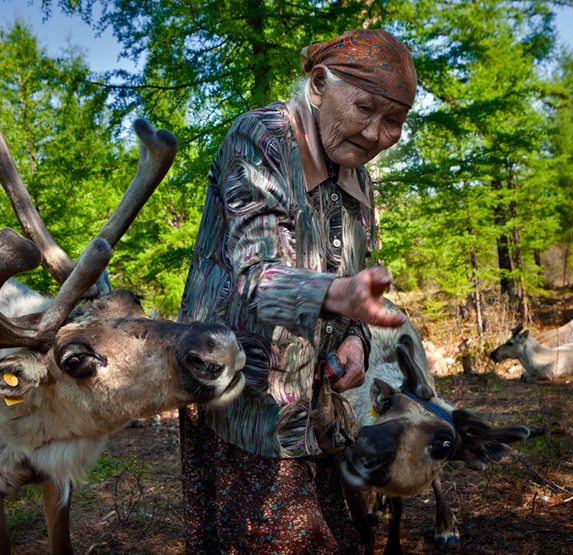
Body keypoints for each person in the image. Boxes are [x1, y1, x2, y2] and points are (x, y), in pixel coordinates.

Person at [178, 28, 417, 554]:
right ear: (317, 84)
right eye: (366, 109)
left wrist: (354, 337)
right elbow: (252, 279)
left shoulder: (357, 172)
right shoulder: (261, 138)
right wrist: (338, 294)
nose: (378, 133)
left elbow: (360, 271)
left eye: (394, 121)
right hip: (246, 397)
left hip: (320, 404)